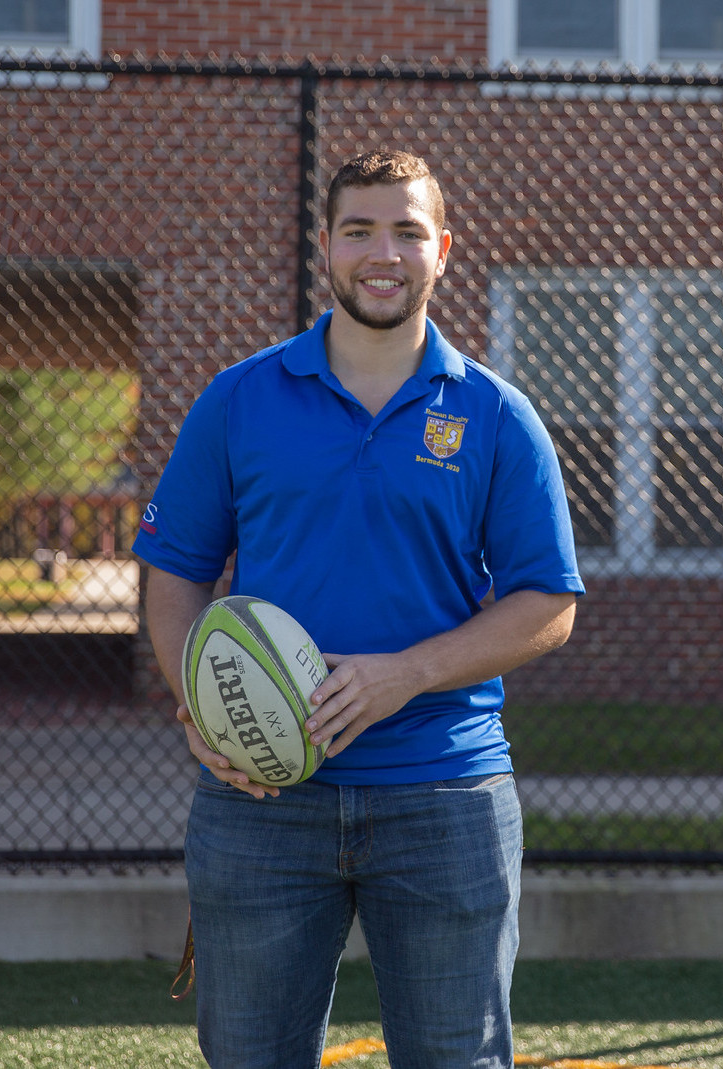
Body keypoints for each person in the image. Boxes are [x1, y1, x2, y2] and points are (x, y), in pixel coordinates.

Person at [133, 149, 584, 1069]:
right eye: (360, 231)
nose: (384, 253)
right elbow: (175, 571)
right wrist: (198, 702)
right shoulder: (240, 399)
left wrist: (405, 674)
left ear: (443, 249)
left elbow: (547, 601)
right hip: (262, 795)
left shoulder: (497, 415)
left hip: (445, 790)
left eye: (408, 232)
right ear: (326, 246)